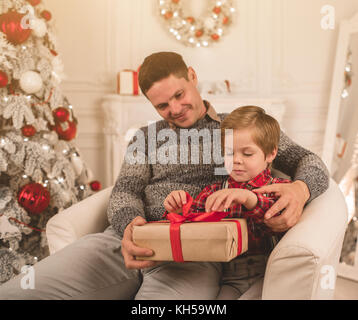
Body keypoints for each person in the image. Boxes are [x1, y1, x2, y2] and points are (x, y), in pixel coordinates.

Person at [0, 51, 329, 300]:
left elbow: (307, 160)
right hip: (128, 243)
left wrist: (300, 190)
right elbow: (125, 190)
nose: (174, 109)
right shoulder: (144, 137)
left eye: (179, 95)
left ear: (192, 76)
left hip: (196, 254)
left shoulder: (239, 129)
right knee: (19, 292)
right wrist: (129, 226)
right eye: (161, 105)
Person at [164, 105, 291, 299]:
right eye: (230, 153)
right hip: (228, 277)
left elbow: (278, 217)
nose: (236, 160)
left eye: (247, 154)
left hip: (267, 275)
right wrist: (181, 209)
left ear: (270, 154)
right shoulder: (215, 190)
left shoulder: (279, 187)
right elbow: (194, 221)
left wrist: (249, 198)